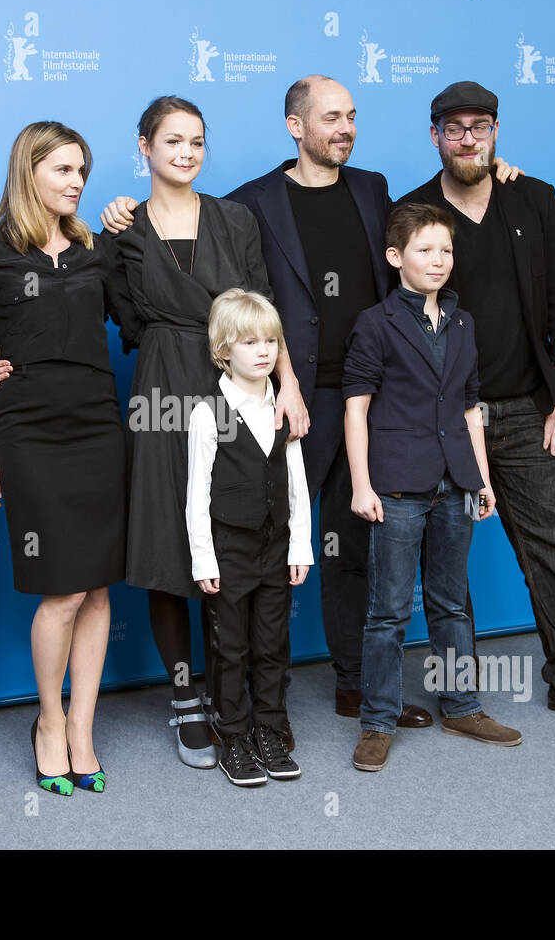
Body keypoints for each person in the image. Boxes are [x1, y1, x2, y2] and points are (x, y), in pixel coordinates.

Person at [103, 76, 518, 728]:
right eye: (331, 117)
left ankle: (357, 684)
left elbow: (430, 230)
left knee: (356, 540)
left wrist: (486, 173)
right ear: (296, 126)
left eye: (352, 116)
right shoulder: (251, 204)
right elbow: (157, 300)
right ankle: (231, 697)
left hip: (370, 396)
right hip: (279, 394)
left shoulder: (373, 189)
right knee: (255, 536)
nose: (346, 127)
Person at [0, 97, 275, 769]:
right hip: (160, 393)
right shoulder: (116, 232)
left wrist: (285, 383)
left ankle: (240, 700)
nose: (185, 152)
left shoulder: (236, 219)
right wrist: (0, 358)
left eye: (197, 141)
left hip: (238, 387)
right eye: (172, 140)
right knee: (167, 541)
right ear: (143, 146)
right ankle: (186, 700)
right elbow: (89, 312)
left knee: (234, 536)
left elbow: (264, 309)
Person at [397, 81, 555, 727]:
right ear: (435, 137)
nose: (469, 138)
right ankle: (461, 697)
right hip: (446, 418)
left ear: (497, 131)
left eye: (480, 126)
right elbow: (398, 317)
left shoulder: (533, 199)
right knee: (446, 564)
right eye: (455, 128)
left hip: (528, 411)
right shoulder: (414, 210)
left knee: (554, 550)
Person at [0, 121, 135, 796]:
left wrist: (132, 227)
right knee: (62, 588)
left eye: (82, 172)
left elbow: (140, 323)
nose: (77, 183)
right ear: (28, 173)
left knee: (97, 586)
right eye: (63, 170)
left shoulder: (97, 253)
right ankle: (49, 721)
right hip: (28, 432)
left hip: (98, 426)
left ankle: (83, 727)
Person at [343, 203, 522, 772]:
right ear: (396, 258)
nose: (439, 260)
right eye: (425, 250)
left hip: (456, 484)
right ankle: (377, 720)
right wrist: (361, 485)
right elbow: (356, 408)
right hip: (395, 485)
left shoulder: (465, 323)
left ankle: (462, 706)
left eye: (446, 250)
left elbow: (471, 408)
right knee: (389, 611)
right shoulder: (375, 322)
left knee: (451, 603)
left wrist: (482, 480)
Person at [186, 289, 313, 786]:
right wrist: (204, 560)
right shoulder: (206, 412)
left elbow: (296, 484)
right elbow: (197, 494)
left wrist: (300, 545)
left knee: (271, 644)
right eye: (248, 342)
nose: (262, 351)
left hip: (276, 549)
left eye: (270, 341)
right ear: (223, 350)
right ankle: (233, 733)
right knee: (230, 647)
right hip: (228, 550)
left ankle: (270, 729)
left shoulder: (284, 408)